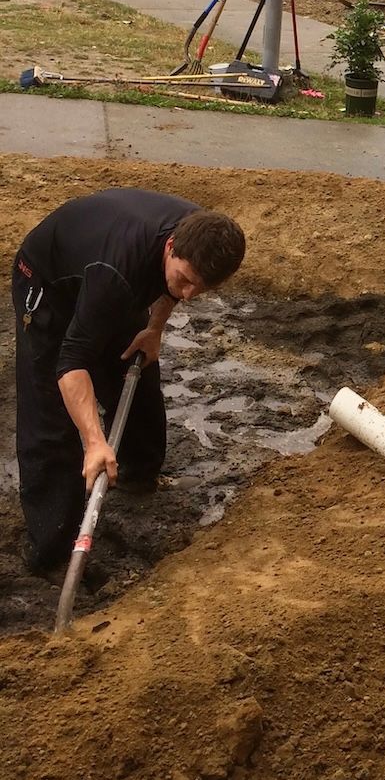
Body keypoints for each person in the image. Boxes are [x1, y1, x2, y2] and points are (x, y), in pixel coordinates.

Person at [11, 188, 246, 575]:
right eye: (184, 280)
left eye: (200, 289)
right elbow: (71, 363)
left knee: (131, 366)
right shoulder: (116, 274)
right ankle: (49, 548)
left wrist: (153, 327)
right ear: (170, 247)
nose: (188, 293)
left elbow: (176, 287)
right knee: (49, 408)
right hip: (49, 281)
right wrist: (94, 442)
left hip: (110, 271)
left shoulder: (202, 236)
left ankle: (139, 475)